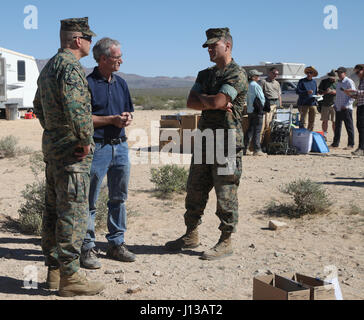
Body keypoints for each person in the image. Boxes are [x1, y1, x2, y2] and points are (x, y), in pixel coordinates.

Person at [33, 17, 105, 297]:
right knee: (72, 213)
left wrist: (54, 132)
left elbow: (39, 105)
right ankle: (71, 277)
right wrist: (84, 140)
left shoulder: (49, 66)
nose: (90, 43)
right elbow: (78, 110)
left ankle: (54, 272)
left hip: (53, 150)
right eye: (88, 38)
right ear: (78, 40)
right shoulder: (71, 67)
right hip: (72, 154)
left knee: (52, 211)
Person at [165, 28, 248, 261]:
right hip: (205, 140)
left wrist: (212, 101)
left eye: (214, 46)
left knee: (226, 191)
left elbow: (220, 100)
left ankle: (226, 240)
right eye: (208, 46)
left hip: (227, 141)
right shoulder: (204, 74)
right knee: (195, 189)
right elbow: (191, 102)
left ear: (227, 46)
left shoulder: (237, 74)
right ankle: (191, 234)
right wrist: (211, 102)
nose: (210, 50)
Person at [80, 38, 135, 269]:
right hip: (97, 147)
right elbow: (83, 118)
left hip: (120, 146)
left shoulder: (121, 83)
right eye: (116, 57)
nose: (121, 60)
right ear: (103, 59)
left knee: (119, 198)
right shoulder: (87, 83)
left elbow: (129, 110)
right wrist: (111, 120)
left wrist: (127, 118)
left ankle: (116, 243)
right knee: (89, 200)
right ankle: (87, 247)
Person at [331, 67, 356, 150]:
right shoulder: (338, 83)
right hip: (338, 108)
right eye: (338, 72)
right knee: (337, 126)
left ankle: (351, 144)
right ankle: (335, 143)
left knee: (349, 126)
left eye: (340, 72)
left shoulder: (349, 81)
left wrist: (346, 105)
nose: (339, 74)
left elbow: (353, 95)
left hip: (346, 108)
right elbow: (338, 96)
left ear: (344, 73)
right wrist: (335, 104)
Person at [343, 64, 364, 156]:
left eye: (358, 72)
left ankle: (361, 148)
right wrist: (351, 95)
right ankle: (361, 147)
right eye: (356, 73)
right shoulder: (361, 81)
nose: (357, 74)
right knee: (360, 126)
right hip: (360, 105)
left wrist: (354, 91)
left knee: (362, 127)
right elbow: (360, 95)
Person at [244, 69, 265, 156]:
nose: (258, 77)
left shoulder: (247, 85)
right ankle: (257, 150)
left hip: (250, 110)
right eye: (257, 75)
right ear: (253, 77)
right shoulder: (256, 86)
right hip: (257, 110)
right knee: (257, 130)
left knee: (250, 129)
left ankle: (245, 149)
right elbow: (261, 98)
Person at [260, 67, 282, 145]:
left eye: (277, 74)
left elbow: (279, 95)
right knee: (266, 123)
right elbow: (261, 94)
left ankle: (272, 140)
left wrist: (280, 105)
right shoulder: (263, 82)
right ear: (270, 73)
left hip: (276, 103)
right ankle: (263, 142)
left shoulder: (277, 83)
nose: (275, 75)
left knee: (275, 122)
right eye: (274, 73)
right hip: (268, 102)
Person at [296, 66, 318, 131]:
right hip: (303, 103)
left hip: (312, 103)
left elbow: (315, 92)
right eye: (308, 72)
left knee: (312, 120)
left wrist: (318, 95)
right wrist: (306, 92)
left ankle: (309, 133)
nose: (309, 74)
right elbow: (297, 91)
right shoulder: (302, 81)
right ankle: (302, 133)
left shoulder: (314, 82)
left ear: (313, 74)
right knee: (303, 120)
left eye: (310, 72)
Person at [318, 70, 337, 141]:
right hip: (325, 104)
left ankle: (336, 136)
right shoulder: (324, 82)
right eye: (332, 76)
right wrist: (326, 92)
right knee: (324, 121)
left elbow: (343, 92)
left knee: (334, 121)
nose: (333, 78)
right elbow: (319, 92)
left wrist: (334, 92)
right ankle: (324, 136)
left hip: (335, 104)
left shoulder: (339, 82)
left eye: (334, 77)